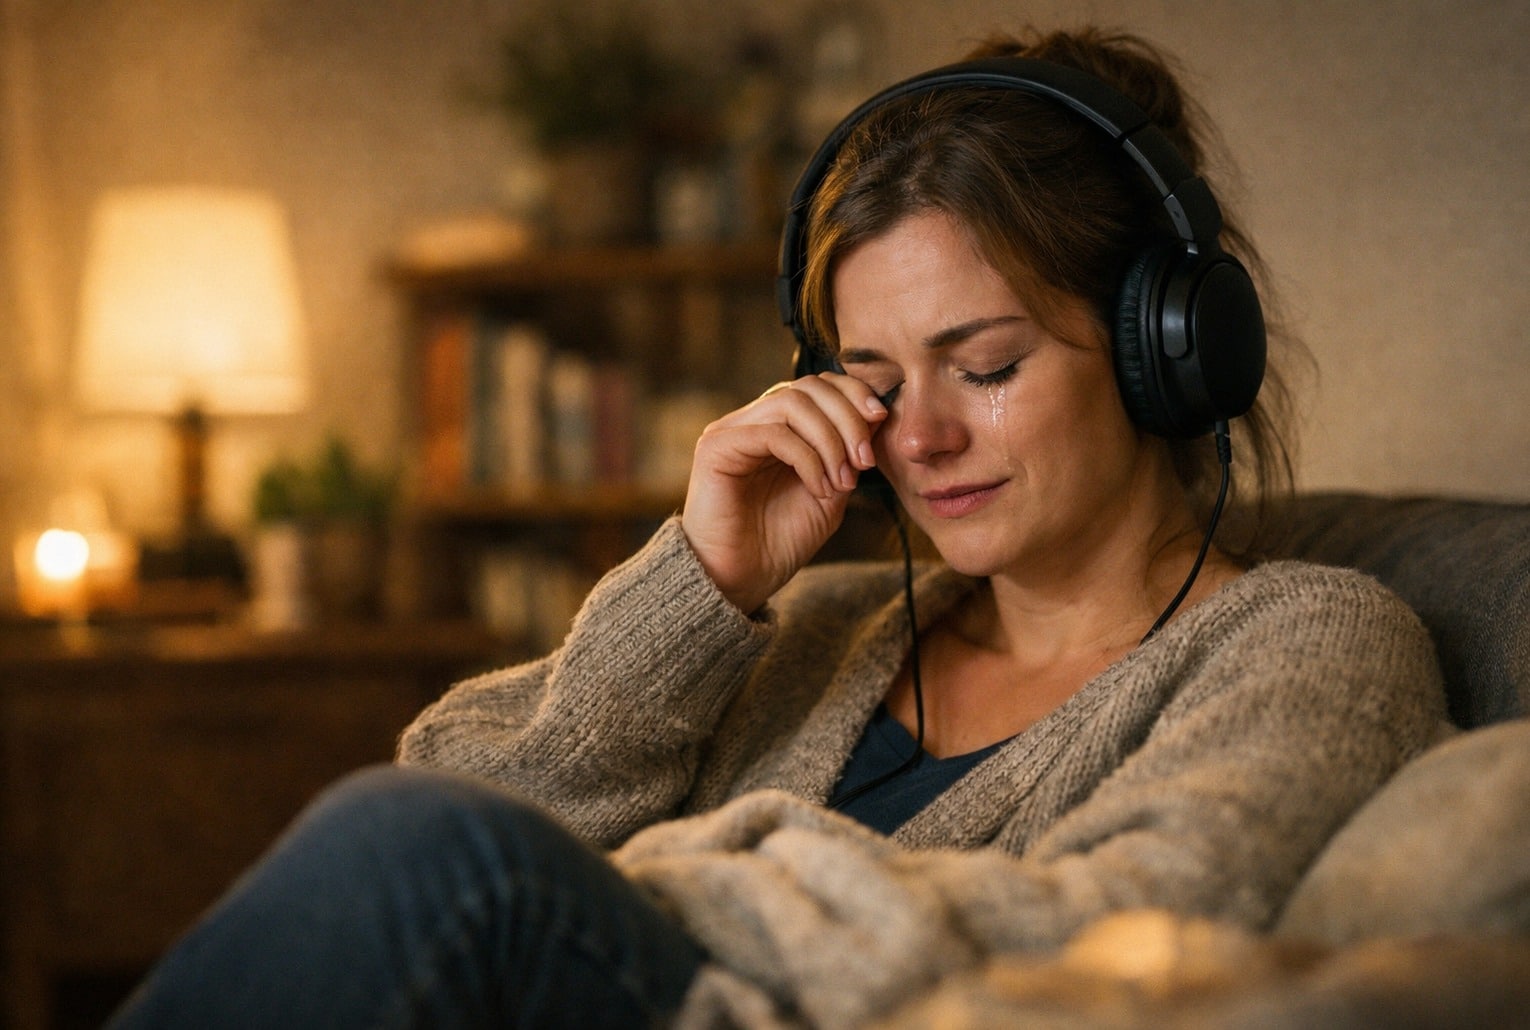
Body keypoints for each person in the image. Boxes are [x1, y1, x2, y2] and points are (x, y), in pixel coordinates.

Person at [109, 25, 1446, 1030]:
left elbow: (1127, 932)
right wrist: (701, 586)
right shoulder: (811, 624)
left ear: (1167, 348)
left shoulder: (1309, 638)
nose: (915, 438)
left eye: (981, 365)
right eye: (873, 383)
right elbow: (441, 807)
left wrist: (654, 880)